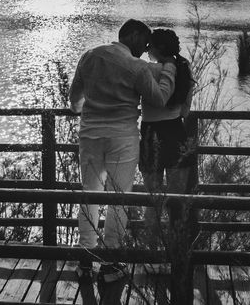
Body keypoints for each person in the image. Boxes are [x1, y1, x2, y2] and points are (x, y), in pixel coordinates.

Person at [68, 19, 177, 284]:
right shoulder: (137, 67)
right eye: (144, 39)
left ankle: (85, 259)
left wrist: (92, 110)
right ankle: (111, 263)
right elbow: (159, 99)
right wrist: (171, 70)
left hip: (90, 135)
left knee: (89, 194)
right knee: (118, 198)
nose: (147, 45)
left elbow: (74, 102)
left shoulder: (89, 56)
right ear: (131, 35)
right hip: (123, 138)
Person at [139, 28, 195, 246]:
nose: (146, 50)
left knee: (152, 199)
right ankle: (178, 250)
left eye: (149, 46)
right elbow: (185, 110)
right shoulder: (183, 66)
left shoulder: (148, 69)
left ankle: (150, 249)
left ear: (158, 48)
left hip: (150, 133)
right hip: (175, 132)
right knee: (177, 201)